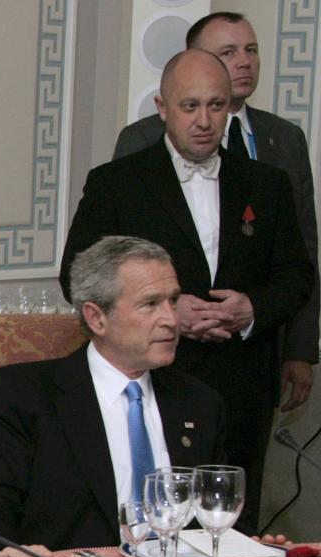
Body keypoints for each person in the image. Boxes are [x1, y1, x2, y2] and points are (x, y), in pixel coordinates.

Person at [60, 49, 313, 534]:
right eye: (189, 106)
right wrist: (173, 308)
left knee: (232, 527)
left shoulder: (268, 184)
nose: (204, 121)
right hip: (152, 378)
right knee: (147, 517)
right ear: (162, 108)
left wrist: (252, 308)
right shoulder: (117, 183)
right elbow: (77, 274)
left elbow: (297, 275)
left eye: (216, 107)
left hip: (242, 382)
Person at [0, 237, 226, 557]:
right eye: (151, 304)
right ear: (97, 318)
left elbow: (222, 516)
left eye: (173, 300)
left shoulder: (200, 402)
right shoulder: (20, 396)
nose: (171, 319)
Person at [114, 11, 319, 414]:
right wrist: (168, 307)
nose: (243, 61)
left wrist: (299, 347)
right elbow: (111, 255)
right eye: (228, 52)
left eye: (251, 50)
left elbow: (301, 254)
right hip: (160, 361)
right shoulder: (138, 146)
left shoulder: (284, 140)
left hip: (252, 359)